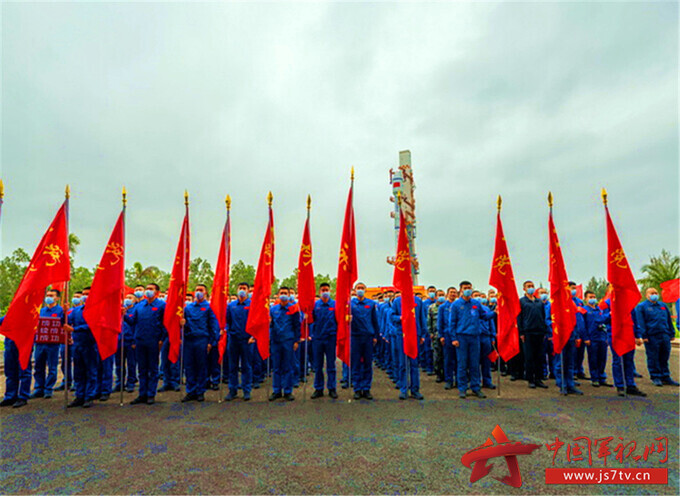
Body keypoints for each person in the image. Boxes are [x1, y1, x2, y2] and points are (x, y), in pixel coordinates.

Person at [449, 281, 494, 399]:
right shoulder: (456, 304)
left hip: (475, 337)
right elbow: (452, 323)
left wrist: (495, 312)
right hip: (461, 337)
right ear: (461, 290)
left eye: (469, 288)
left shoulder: (476, 303)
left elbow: (483, 317)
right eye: (465, 288)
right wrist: (453, 338)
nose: (468, 290)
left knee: (475, 364)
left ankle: (475, 387)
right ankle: (462, 388)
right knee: (462, 364)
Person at [125, 283, 166, 405]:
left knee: (152, 368)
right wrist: (124, 315)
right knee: (142, 368)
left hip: (153, 341)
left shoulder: (162, 305)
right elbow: (133, 322)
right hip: (140, 340)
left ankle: (150, 394)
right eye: (147, 289)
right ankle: (142, 394)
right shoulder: (139, 305)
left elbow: (165, 324)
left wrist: (162, 340)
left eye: (151, 289)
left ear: (157, 292)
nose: (148, 291)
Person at [180, 284, 219, 402]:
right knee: (189, 366)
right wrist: (182, 323)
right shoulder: (188, 308)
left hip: (202, 340)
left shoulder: (209, 307)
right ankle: (190, 391)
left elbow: (213, 326)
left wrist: (211, 342)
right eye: (196, 290)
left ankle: (200, 391)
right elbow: (185, 325)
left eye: (201, 290)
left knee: (201, 366)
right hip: (189, 340)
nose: (198, 292)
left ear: (206, 293)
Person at [636, 288, 679, 387]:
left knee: (664, 356)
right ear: (647, 295)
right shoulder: (642, 307)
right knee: (653, 357)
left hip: (664, 335)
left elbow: (668, 319)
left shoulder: (662, 306)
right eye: (652, 293)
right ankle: (655, 376)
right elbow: (640, 322)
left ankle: (665, 376)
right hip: (652, 336)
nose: (654, 294)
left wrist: (671, 333)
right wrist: (644, 335)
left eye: (656, 293)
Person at [65, 287, 98, 408]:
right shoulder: (76, 310)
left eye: (88, 294)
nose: (85, 296)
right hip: (77, 344)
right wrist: (64, 312)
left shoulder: (96, 309)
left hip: (90, 344)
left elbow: (92, 325)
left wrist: (75, 329)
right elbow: (67, 322)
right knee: (78, 372)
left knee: (91, 371)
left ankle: (89, 396)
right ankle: (79, 395)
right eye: (83, 294)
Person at [31, 289, 66, 399]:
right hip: (40, 343)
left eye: (51, 295)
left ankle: (48, 389)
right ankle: (38, 388)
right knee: (38, 366)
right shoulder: (41, 310)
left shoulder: (61, 311)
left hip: (53, 344)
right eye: (47, 295)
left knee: (52, 367)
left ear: (57, 298)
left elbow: (65, 324)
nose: (48, 297)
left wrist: (65, 313)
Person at [391, 292, 425, 400]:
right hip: (402, 334)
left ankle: (415, 390)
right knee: (403, 363)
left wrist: (423, 334)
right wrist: (400, 318)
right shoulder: (397, 301)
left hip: (415, 334)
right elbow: (392, 316)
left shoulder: (418, 301)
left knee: (414, 364)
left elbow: (422, 318)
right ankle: (403, 389)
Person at [269, 287, 301, 401]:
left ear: (289, 295)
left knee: (288, 367)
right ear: (278, 295)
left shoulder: (293, 308)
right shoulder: (273, 309)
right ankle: (276, 390)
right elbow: (271, 325)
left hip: (288, 341)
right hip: (276, 342)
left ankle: (288, 391)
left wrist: (296, 340)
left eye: (285, 293)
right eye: (281, 293)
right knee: (276, 367)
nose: (283, 295)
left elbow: (297, 325)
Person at [553, 282, 585, 395]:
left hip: (571, 336)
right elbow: (549, 320)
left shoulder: (571, 303)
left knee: (570, 362)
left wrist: (576, 336)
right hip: (560, 336)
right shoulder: (555, 304)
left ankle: (570, 384)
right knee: (560, 362)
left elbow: (574, 322)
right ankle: (562, 385)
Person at [350, 283, 380, 400]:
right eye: (358, 288)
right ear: (355, 290)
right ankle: (357, 389)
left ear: (365, 290)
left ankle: (366, 388)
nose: (360, 290)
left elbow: (374, 321)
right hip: (355, 337)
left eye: (362, 288)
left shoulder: (371, 304)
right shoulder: (350, 304)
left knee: (368, 364)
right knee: (356, 364)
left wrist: (376, 336)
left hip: (368, 337)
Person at [225, 283, 254, 401]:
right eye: (240, 288)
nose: (242, 290)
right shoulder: (231, 306)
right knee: (233, 366)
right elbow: (227, 321)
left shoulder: (252, 305)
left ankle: (246, 390)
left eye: (244, 289)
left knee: (246, 366)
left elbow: (255, 322)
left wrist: (253, 336)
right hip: (233, 339)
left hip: (247, 340)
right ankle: (233, 390)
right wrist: (227, 331)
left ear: (248, 291)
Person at [517, 281, 548, 389]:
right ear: (524, 289)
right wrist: (521, 332)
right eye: (528, 286)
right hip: (528, 332)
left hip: (539, 332)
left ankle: (539, 379)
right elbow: (519, 318)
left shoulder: (539, 302)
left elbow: (543, 317)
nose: (531, 288)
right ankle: (530, 379)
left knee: (539, 357)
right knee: (529, 357)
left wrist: (544, 331)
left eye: (532, 286)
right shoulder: (521, 301)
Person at [310, 283, 338, 399]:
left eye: (327, 289)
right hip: (318, 339)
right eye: (323, 290)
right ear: (319, 291)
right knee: (318, 365)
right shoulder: (315, 305)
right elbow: (311, 322)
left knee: (331, 365)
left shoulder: (335, 305)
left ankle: (332, 388)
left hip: (331, 338)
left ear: (330, 291)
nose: (325, 291)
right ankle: (318, 388)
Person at [0, 316, 32, 408]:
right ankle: (10, 396)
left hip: (24, 346)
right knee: (10, 372)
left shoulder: (29, 315)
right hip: (10, 346)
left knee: (24, 372)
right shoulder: (11, 314)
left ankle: (23, 396)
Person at [583, 291, 612, 388]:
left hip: (602, 337)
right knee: (593, 359)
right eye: (590, 297)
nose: (593, 298)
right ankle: (594, 378)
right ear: (586, 299)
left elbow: (605, 321)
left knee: (602, 358)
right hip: (592, 338)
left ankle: (602, 377)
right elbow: (584, 325)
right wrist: (586, 338)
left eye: (594, 296)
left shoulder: (599, 309)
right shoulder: (584, 310)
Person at [114, 292, 137, 393]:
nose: (128, 299)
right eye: (126, 297)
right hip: (118, 340)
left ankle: (131, 383)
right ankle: (119, 383)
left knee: (131, 364)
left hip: (130, 341)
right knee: (119, 364)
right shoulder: (117, 310)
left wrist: (134, 341)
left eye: (130, 297)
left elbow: (135, 325)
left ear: (134, 300)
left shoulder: (135, 310)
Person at [438, 287, 458, 390]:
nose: (453, 294)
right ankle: (449, 380)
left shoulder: (459, 305)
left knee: (459, 360)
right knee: (448, 359)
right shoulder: (442, 307)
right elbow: (440, 322)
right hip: (447, 335)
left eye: (455, 292)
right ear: (447, 294)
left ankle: (458, 380)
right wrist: (441, 335)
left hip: (458, 335)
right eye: (451, 292)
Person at [477, 293, 497, 389]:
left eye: (481, 296)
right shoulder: (472, 308)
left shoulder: (486, 309)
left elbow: (491, 323)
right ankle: (476, 381)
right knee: (475, 361)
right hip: (475, 337)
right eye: (476, 295)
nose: (480, 298)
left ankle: (487, 381)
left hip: (486, 337)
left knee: (487, 361)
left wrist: (492, 337)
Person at [428, 290, 446, 383]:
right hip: (436, 335)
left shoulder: (449, 307)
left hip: (446, 334)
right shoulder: (432, 308)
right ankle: (439, 374)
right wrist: (430, 332)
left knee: (447, 356)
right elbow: (429, 321)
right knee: (437, 356)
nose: (441, 297)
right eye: (439, 295)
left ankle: (447, 374)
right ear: (435, 297)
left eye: (443, 295)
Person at [419, 286, 437, 375]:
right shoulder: (424, 303)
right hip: (427, 329)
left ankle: (436, 368)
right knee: (427, 349)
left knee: (436, 350)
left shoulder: (438, 303)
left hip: (436, 330)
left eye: (433, 291)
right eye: (430, 291)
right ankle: (428, 367)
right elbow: (422, 317)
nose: (432, 293)